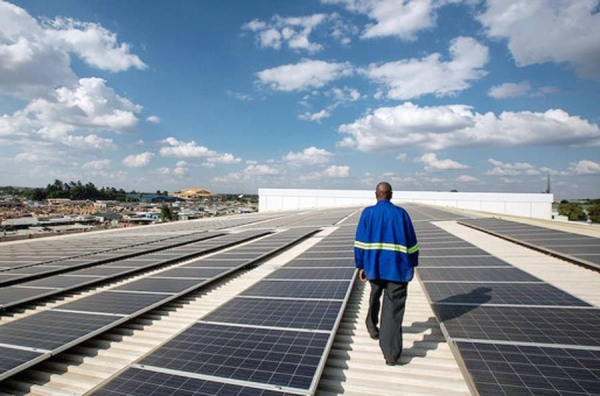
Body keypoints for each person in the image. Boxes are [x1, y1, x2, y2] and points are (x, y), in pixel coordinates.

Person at [354, 182, 419, 366]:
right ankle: (391, 355)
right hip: (397, 269)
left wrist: (361, 265)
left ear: (376, 194)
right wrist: (412, 263)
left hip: (374, 266)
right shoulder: (401, 214)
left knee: (375, 296)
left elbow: (359, 243)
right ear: (391, 195)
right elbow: (412, 243)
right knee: (392, 311)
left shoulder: (368, 214)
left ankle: (372, 326)